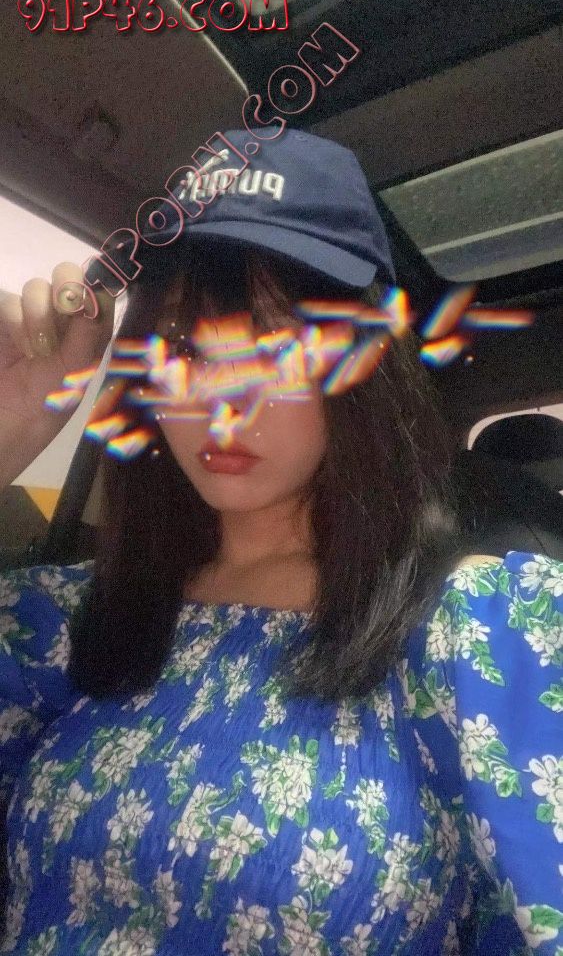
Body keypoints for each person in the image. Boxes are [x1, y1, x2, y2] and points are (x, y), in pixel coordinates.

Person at [0, 128, 561, 955]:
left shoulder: (487, 634)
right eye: (183, 348)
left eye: (277, 345)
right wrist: (12, 425)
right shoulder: (70, 619)